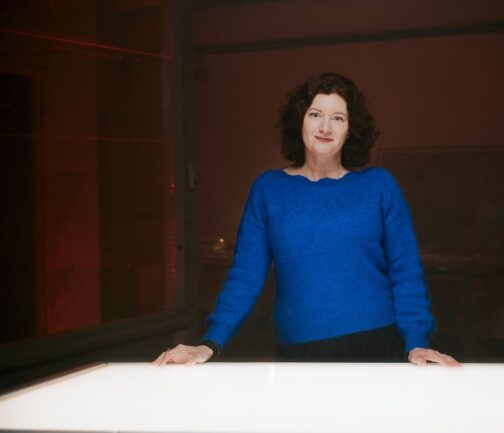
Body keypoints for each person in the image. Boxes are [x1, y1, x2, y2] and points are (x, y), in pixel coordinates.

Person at [153, 72, 459, 367]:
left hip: (378, 343)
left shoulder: (379, 185)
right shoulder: (268, 189)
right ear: (300, 119)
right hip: (299, 349)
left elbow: (406, 271)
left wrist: (417, 341)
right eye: (315, 114)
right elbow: (245, 277)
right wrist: (210, 342)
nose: (325, 127)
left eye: (338, 118)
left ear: (351, 129)